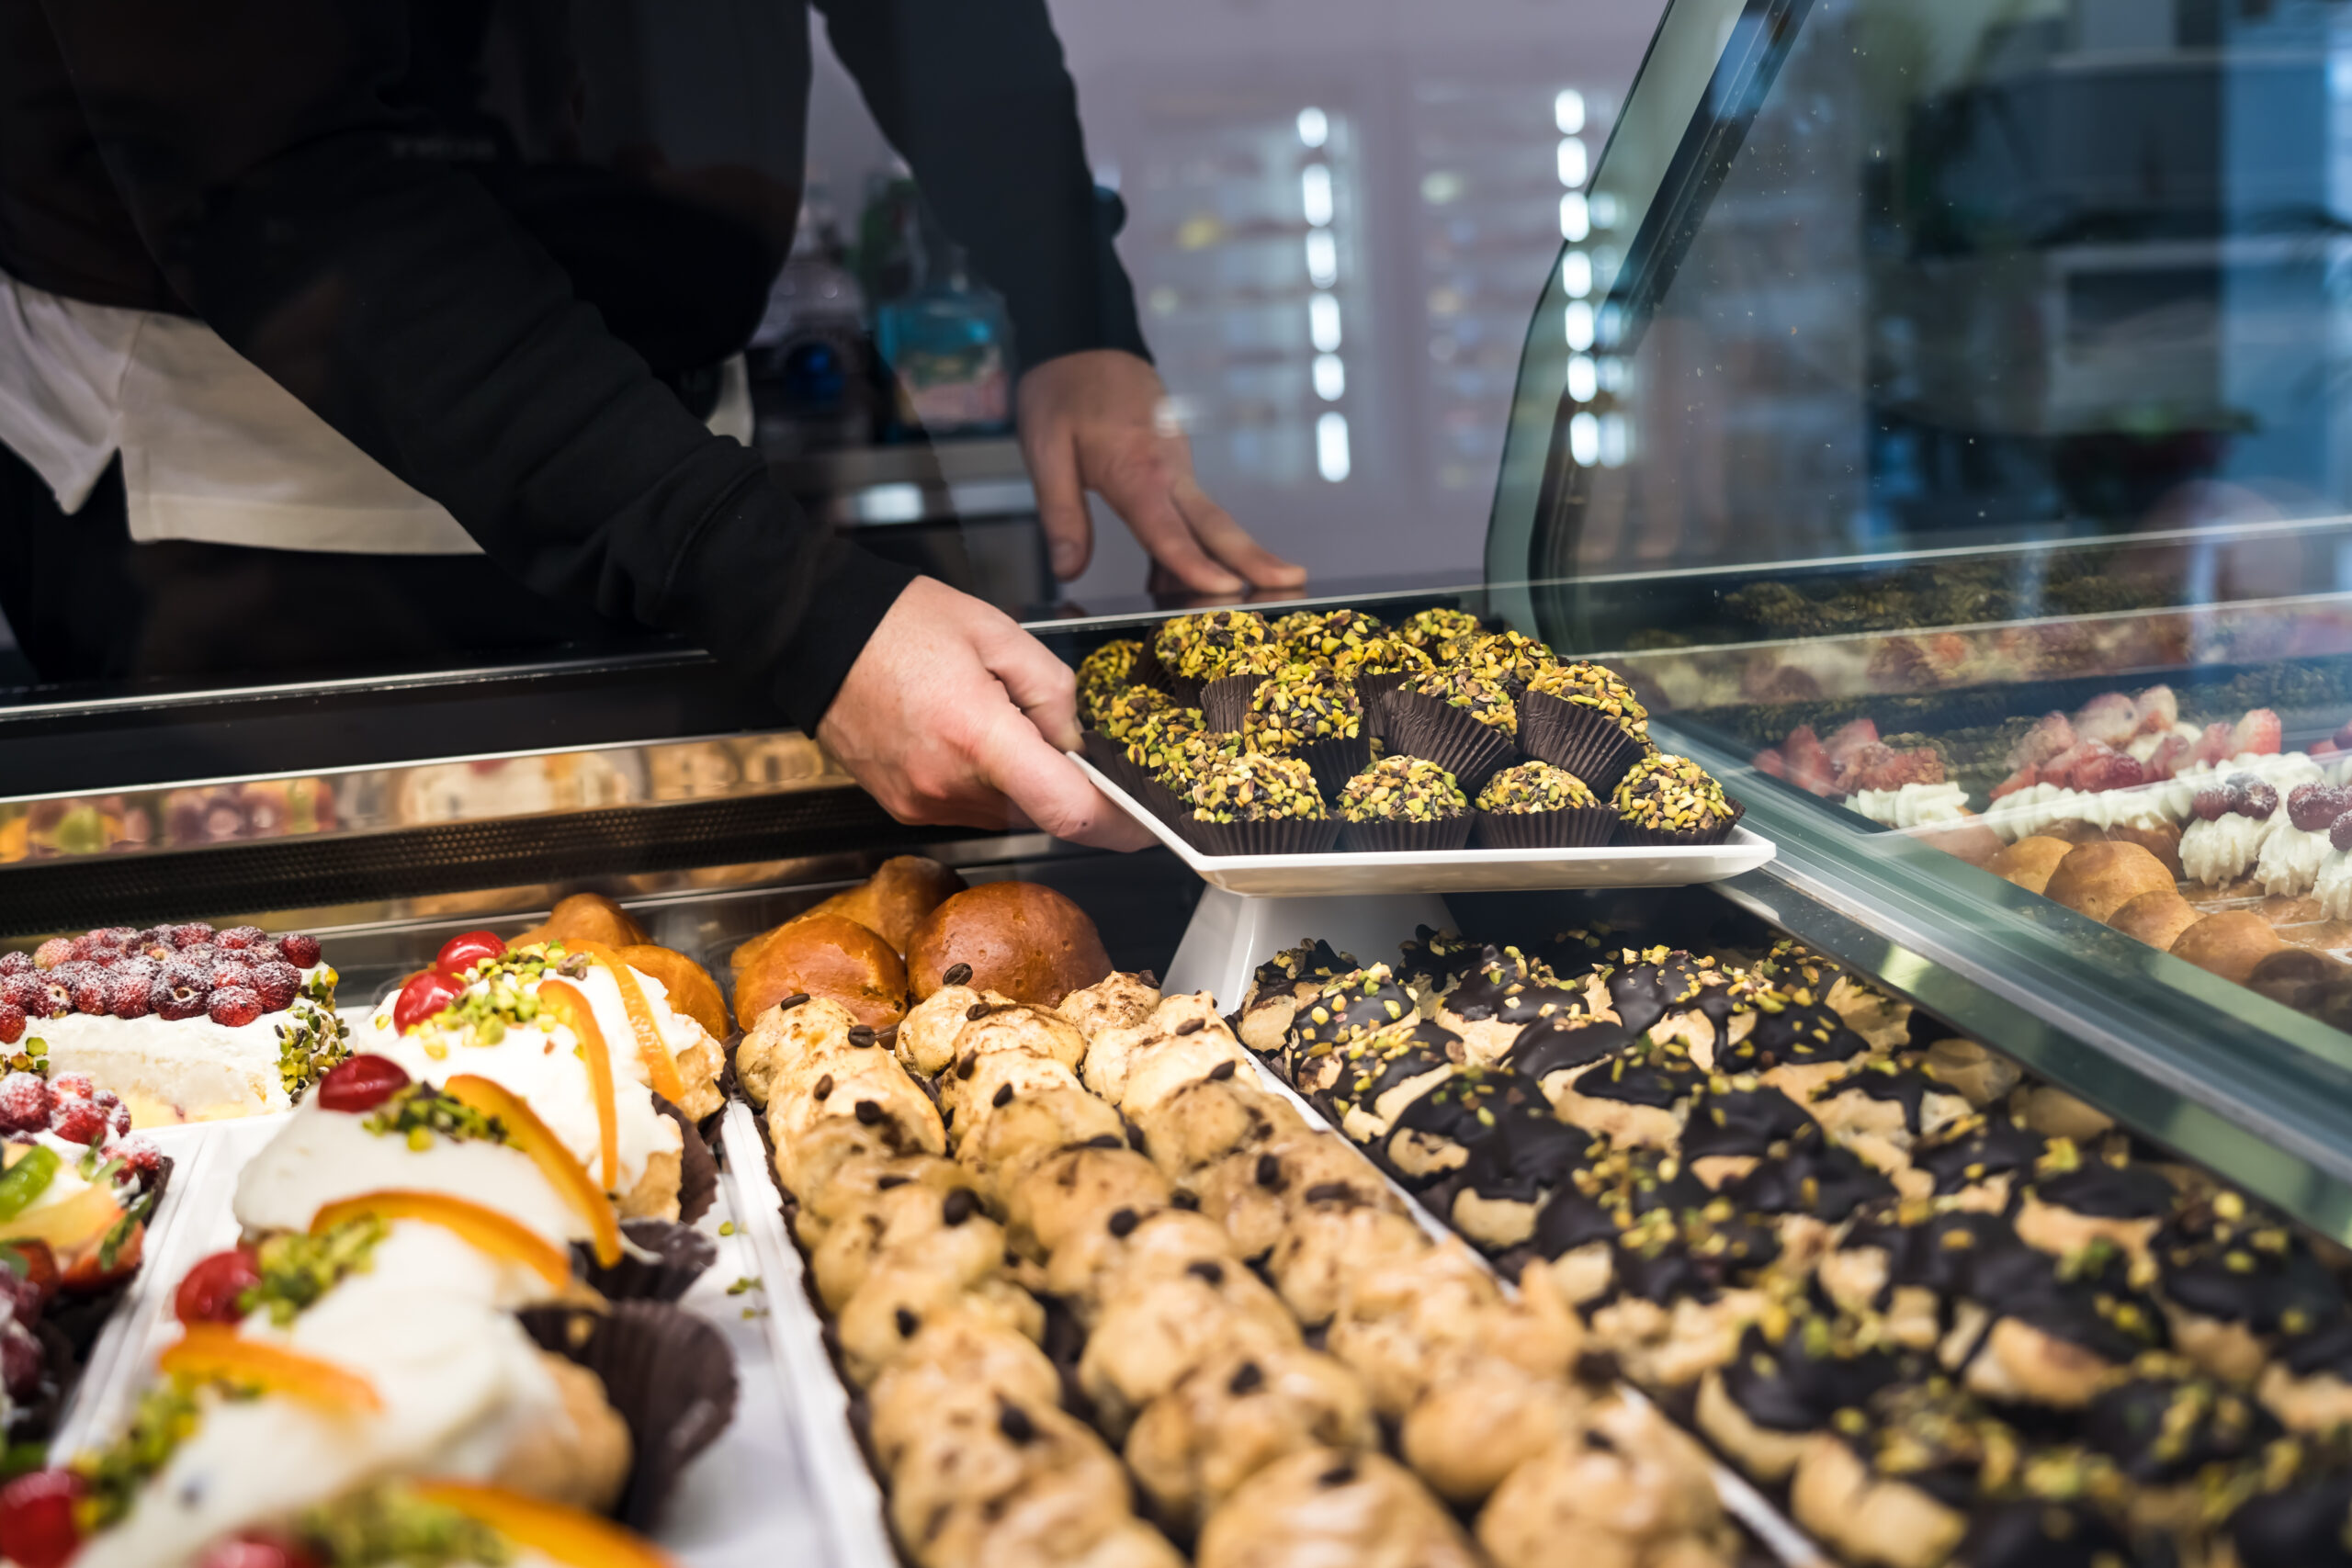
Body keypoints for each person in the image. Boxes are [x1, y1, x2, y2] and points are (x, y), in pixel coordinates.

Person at [0, 0, 1305, 849]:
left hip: (670, 446)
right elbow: (274, 178)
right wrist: (789, 598)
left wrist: (1071, 300)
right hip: (259, 491)